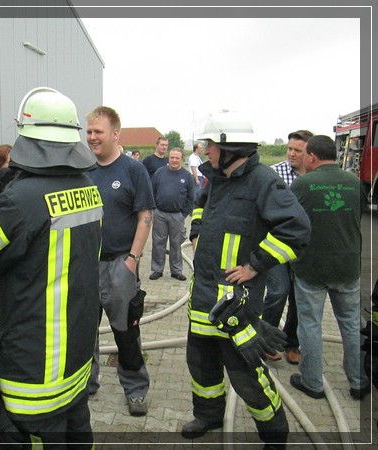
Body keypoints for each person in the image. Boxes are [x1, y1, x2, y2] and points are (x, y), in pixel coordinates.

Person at [0, 87, 102, 447]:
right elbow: (38, 241)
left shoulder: (21, 198)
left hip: (34, 369)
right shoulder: (87, 188)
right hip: (75, 359)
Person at [183, 129, 311, 449]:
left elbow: (296, 228)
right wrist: (197, 233)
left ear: (231, 147)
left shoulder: (262, 181)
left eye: (211, 145)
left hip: (235, 304)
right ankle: (209, 414)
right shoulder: (215, 178)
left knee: (247, 376)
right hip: (202, 299)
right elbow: (200, 207)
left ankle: (274, 434)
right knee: (200, 363)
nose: (206, 150)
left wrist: (255, 265)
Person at [289, 135, 370, 401]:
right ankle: (359, 382)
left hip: (312, 268)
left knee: (310, 326)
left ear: (312, 156)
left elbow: (290, 220)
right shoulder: (355, 183)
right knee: (351, 325)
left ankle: (312, 383)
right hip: (347, 268)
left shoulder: (303, 184)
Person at [86, 106, 154, 416]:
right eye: (88, 131)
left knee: (126, 332)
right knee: (83, 330)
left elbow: (145, 216)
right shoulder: (82, 170)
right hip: (85, 267)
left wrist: (132, 259)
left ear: (115, 134)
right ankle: (85, 386)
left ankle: (136, 389)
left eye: (97, 132)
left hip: (119, 265)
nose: (91, 137)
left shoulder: (133, 170)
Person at [263, 130, 313, 364]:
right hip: (277, 245)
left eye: (297, 150)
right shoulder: (277, 174)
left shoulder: (316, 177)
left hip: (304, 250)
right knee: (278, 291)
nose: (292, 154)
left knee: (298, 297)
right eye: (289, 149)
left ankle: (292, 343)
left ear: (310, 154)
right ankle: (266, 341)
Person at [149, 148, 194, 281]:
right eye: (172, 157)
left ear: (181, 159)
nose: (174, 160)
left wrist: (183, 214)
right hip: (160, 215)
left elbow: (191, 198)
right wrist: (154, 210)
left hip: (177, 216)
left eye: (177, 158)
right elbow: (152, 191)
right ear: (169, 158)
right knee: (158, 243)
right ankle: (157, 269)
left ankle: (176, 270)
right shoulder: (159, 173)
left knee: (176, 244)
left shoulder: (187, 176)